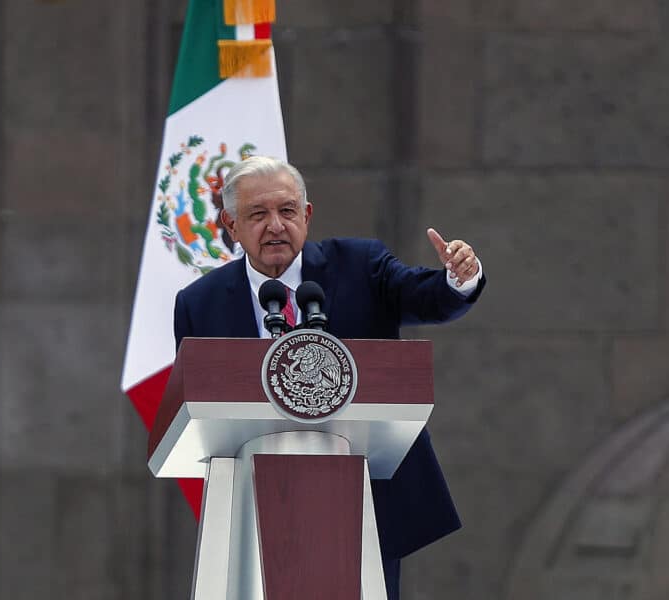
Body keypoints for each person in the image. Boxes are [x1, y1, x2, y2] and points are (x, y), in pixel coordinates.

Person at [173, 156, 485, 599]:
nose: (276, 225)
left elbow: (426, 296)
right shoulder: (199, 303)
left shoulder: (359, 265)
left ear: (307, 214)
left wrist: (459, 278)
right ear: (231, 225)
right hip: (249, 504)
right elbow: (193, 406)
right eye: (258, 215)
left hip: (365, 498)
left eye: (287, 211)